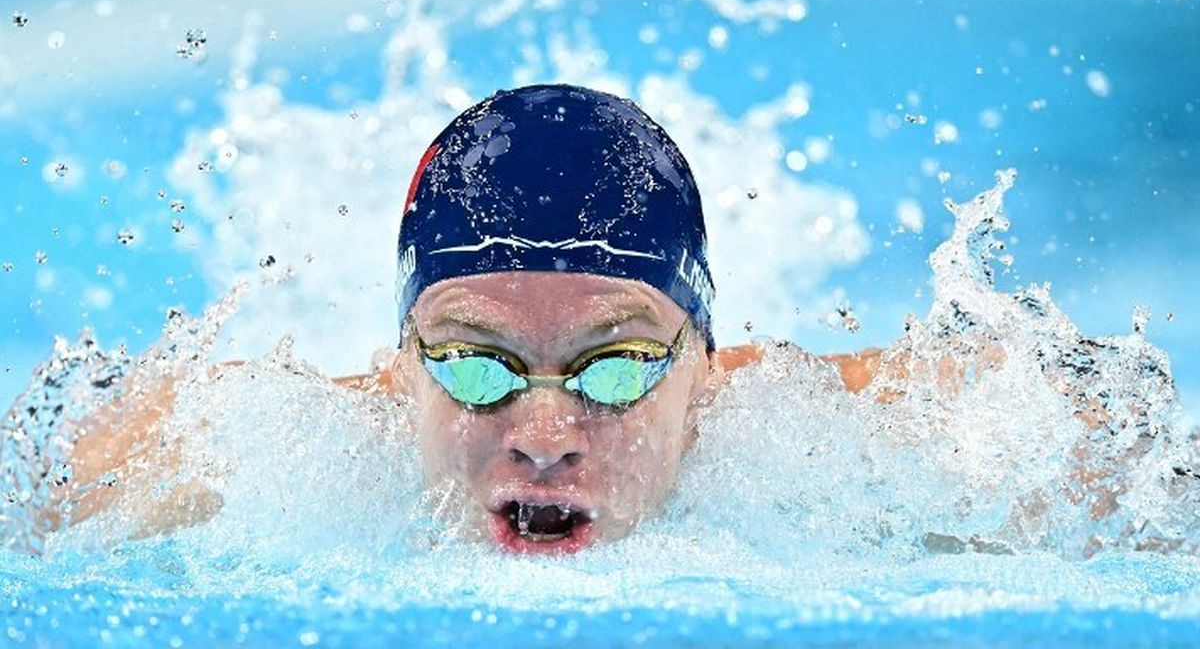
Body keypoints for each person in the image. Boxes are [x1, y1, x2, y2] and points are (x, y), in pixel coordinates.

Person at [36, 84, 884, 553]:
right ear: (401, 369)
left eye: (617, 367)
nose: (545, 434)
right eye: (478, 368)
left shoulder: (843, 449)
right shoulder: (260, 458)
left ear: (703, 371)